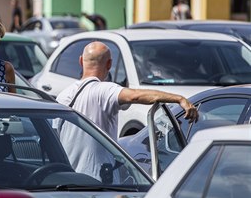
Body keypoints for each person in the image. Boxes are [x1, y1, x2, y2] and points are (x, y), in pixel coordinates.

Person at [55, 41, 198, 176]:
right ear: (109, 64)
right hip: (99, 183)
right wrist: (179, 99)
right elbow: (135, 96)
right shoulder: (105, 90)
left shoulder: (63, 96)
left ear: (80, 61)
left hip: (68, 181)